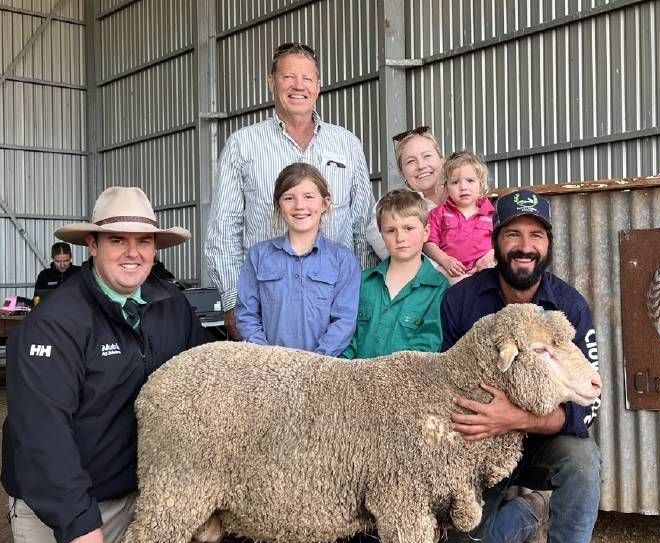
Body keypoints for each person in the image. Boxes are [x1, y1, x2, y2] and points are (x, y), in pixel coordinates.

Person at [0, 187, 242, 543]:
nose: (133, 253)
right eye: (118, 240)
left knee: (220, 499)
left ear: (156, 248)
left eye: (144, 241)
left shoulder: (169, 304)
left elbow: (208, 372)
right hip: (81, 490)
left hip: (144, 479)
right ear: (92, 245)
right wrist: (77, 521)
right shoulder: (55, 323)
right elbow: (41, 434)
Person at [432, 189, 602, 543]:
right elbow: (445, 384)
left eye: (535, 235)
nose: (524, 246)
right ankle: (526, 517)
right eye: (513, 234)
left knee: (584, 461)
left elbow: (588, 406)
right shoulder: (462, 302)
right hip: (480, 448)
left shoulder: (568, 306)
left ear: (547, 244)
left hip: (541, 440)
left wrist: (519, 418)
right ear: (496, 240)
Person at [236, 163, 361, 543]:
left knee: (324, 471)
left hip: (323, 380)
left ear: (326, 205)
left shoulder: (342, 261)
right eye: (290, 198)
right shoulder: (258, 258)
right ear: (278, 207)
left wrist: (311, 369)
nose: (300, 206)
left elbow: (344, 321)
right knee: (278, 471)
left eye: (309, 197)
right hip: (270, 382)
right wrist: (270, 364)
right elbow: (246, 315)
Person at [206, 41, 373, 341]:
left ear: (319, 86)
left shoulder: (347, 144)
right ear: (272, 82)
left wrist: (356, 300)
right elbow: (223, 230)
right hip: (267, 313)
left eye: (307, 78)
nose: (299, 86)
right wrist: (233, 302)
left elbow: (363, 226)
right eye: (288, 77)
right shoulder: (243, 145)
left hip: (335, 309)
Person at [342, 188, 448, 543]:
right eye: (390, 230)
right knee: (360, 480)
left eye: (408, 228)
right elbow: (349, 339)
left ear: (425, 231)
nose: (400, 237)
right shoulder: (365, 284)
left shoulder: (437, 288)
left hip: (405, 407)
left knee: (403, 487)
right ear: (381, 235)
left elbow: (432, 346)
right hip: (360, 399)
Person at [365, 126, 446, 260]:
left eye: (427, 156)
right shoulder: (389, 207)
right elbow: (398, 260)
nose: (421, 165)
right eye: (410, 161)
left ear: (442, 160)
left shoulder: (466, 195)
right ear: (402, 172)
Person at [423, 151, 496, 284]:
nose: (463, 187)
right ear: (446, 186)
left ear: (481, 184)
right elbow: (428, 243)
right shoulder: (438, 213)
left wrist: (491, 255)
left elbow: (501, 242)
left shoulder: (491, 214)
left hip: (484, 273)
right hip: (450, 275)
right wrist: (445, 260)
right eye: (455, 182)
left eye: (470, 180)